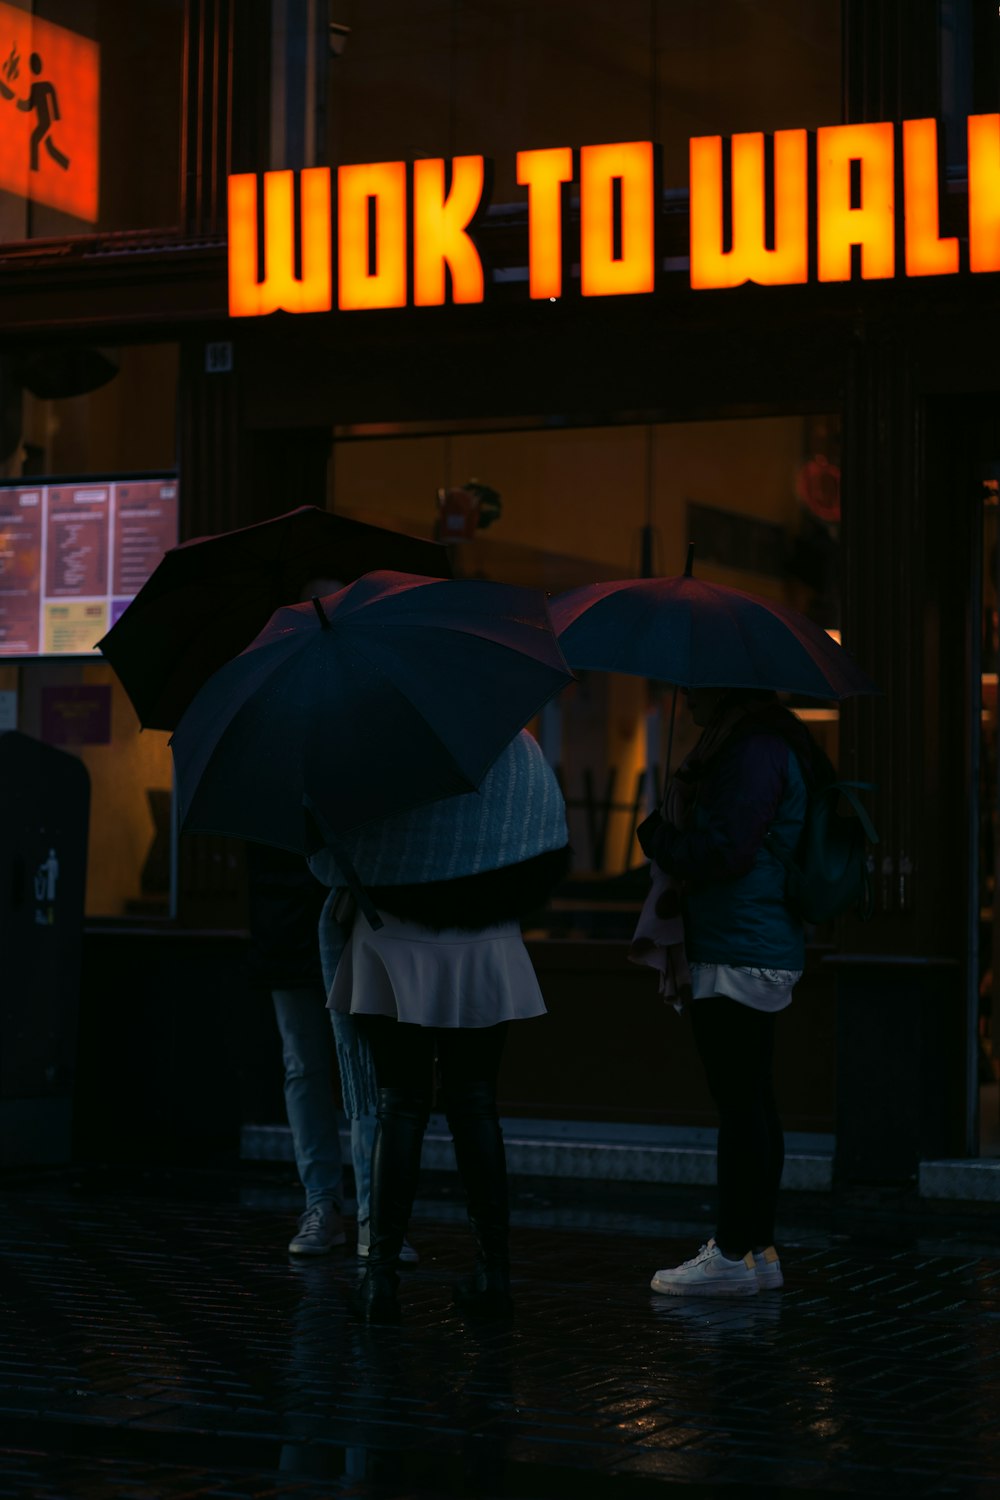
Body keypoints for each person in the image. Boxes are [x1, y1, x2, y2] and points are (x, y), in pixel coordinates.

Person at [309, 729, 569, 1323]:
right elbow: (549, 839)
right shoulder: (514, 743)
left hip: (394, 935)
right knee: (475, 1103)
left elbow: (329, 859)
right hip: (483, 938)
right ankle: (493, 1273)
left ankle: (380, 1282)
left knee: (400, 1104)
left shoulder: (370, 747)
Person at [636, 686, 823, 1297]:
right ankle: (758, 1250)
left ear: (721, 689)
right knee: (754, 1097)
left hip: (739, 943)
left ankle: (732, 1252)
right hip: (752, 939)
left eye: (695, 685)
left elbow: (726, 849)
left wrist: (658, 836)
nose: (685, 696)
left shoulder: (750, 752)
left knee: (740, 1102)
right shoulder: (762, 745)